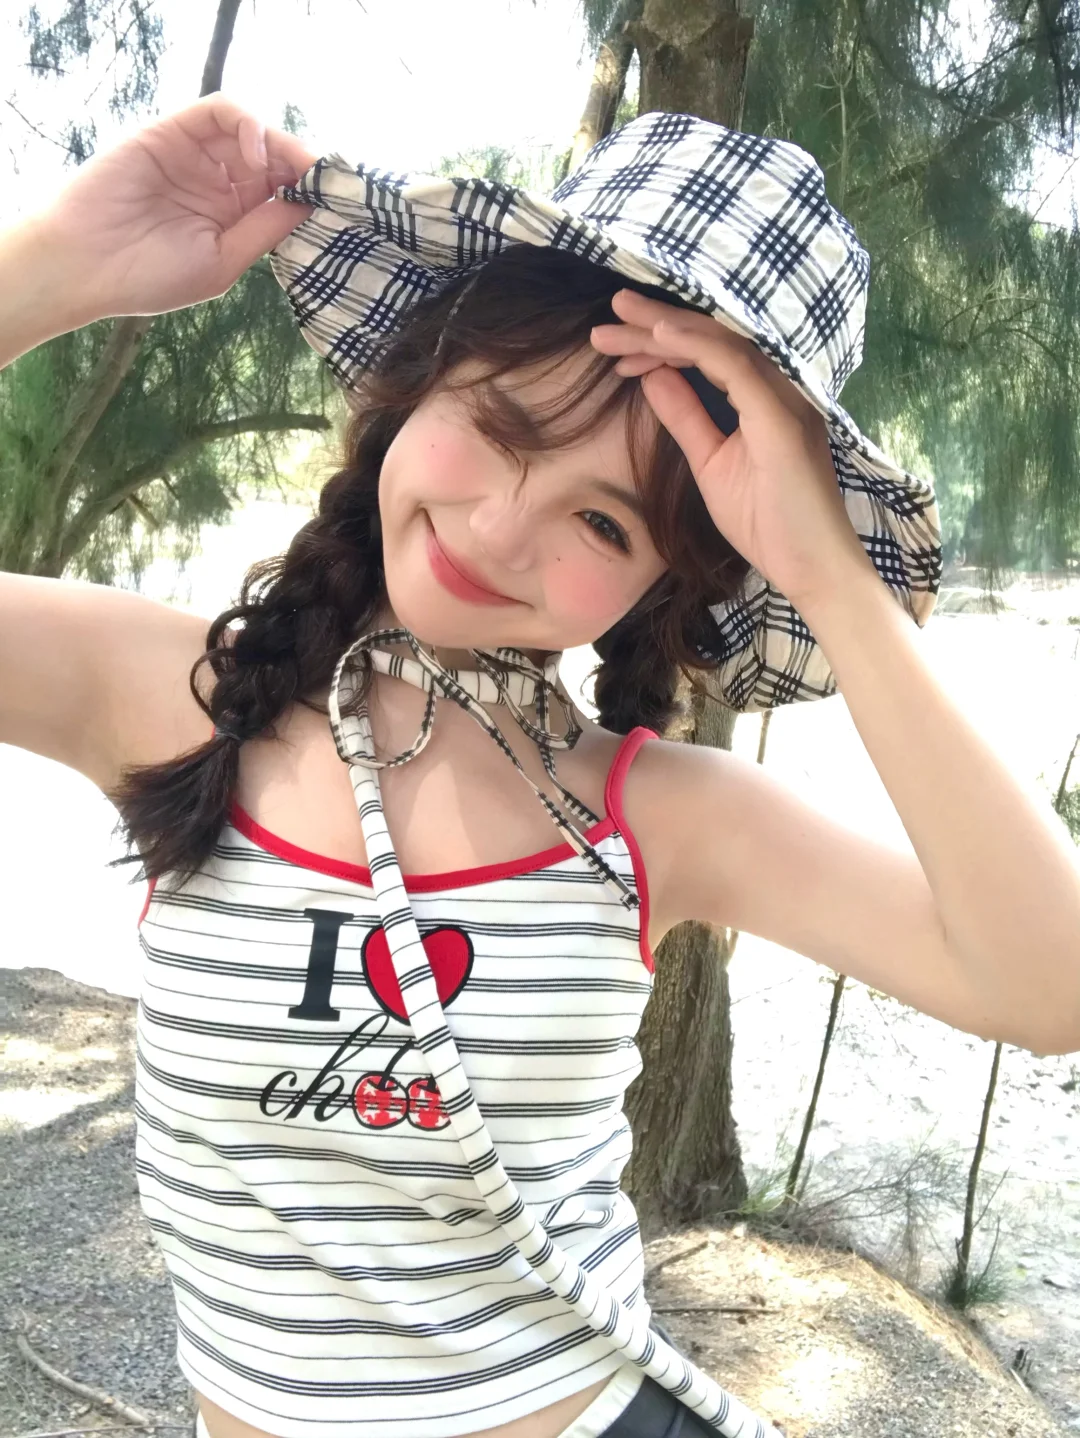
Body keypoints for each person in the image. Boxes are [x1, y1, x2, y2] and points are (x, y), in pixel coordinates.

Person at [2, 92, 1078, 1438]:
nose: (504, 529)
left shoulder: (655, 815)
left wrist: (830, 577)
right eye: (504, 423)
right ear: (415, 380)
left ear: (660, 586)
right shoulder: (174, 696)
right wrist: (53, 267)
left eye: (606, 523)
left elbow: (1049, 985)